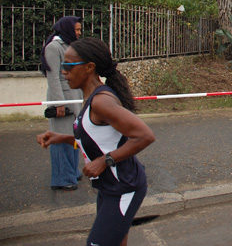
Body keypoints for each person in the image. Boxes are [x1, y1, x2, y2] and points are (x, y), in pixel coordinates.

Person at [37, 37, 155, 246]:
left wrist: (104, 161)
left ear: (89, 68)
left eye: (68, 66)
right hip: (109, 187)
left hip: (124, 187)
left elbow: (145, 135)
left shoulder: (101, 101)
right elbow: (97, 140)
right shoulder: (90, 97)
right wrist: (61, 138)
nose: (63, 71)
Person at [40, 16, 84, 191]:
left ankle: (72, 171)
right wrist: (59, 103)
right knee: (60, 137)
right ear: (67, 29)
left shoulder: (70, 45)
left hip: (74, 97)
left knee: (73, 136)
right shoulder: (53, 48)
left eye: (80, 29)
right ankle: (62, 178)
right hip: (62, 99)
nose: (80, 33)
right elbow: (53, 77)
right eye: (77, 29)